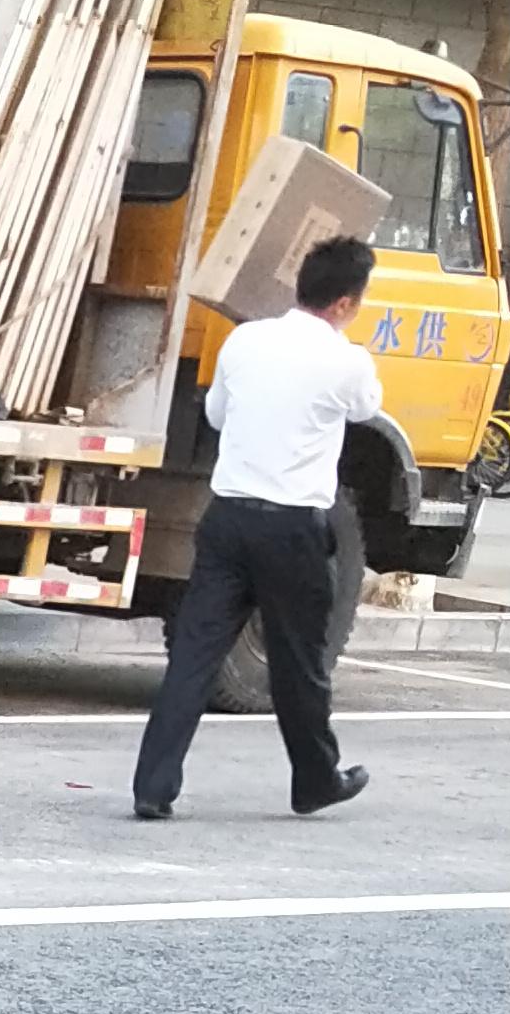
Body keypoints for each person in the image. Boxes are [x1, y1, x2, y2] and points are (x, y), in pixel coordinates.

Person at [131, 237, 378, 823]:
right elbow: (367, 410)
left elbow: (217, 414)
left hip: (227, 520)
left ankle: (154, 785)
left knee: (193, 655)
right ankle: (314, 781)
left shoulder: (245, 341)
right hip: (292, 528)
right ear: (344, 303)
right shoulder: (347, 360)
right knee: (299, 664)